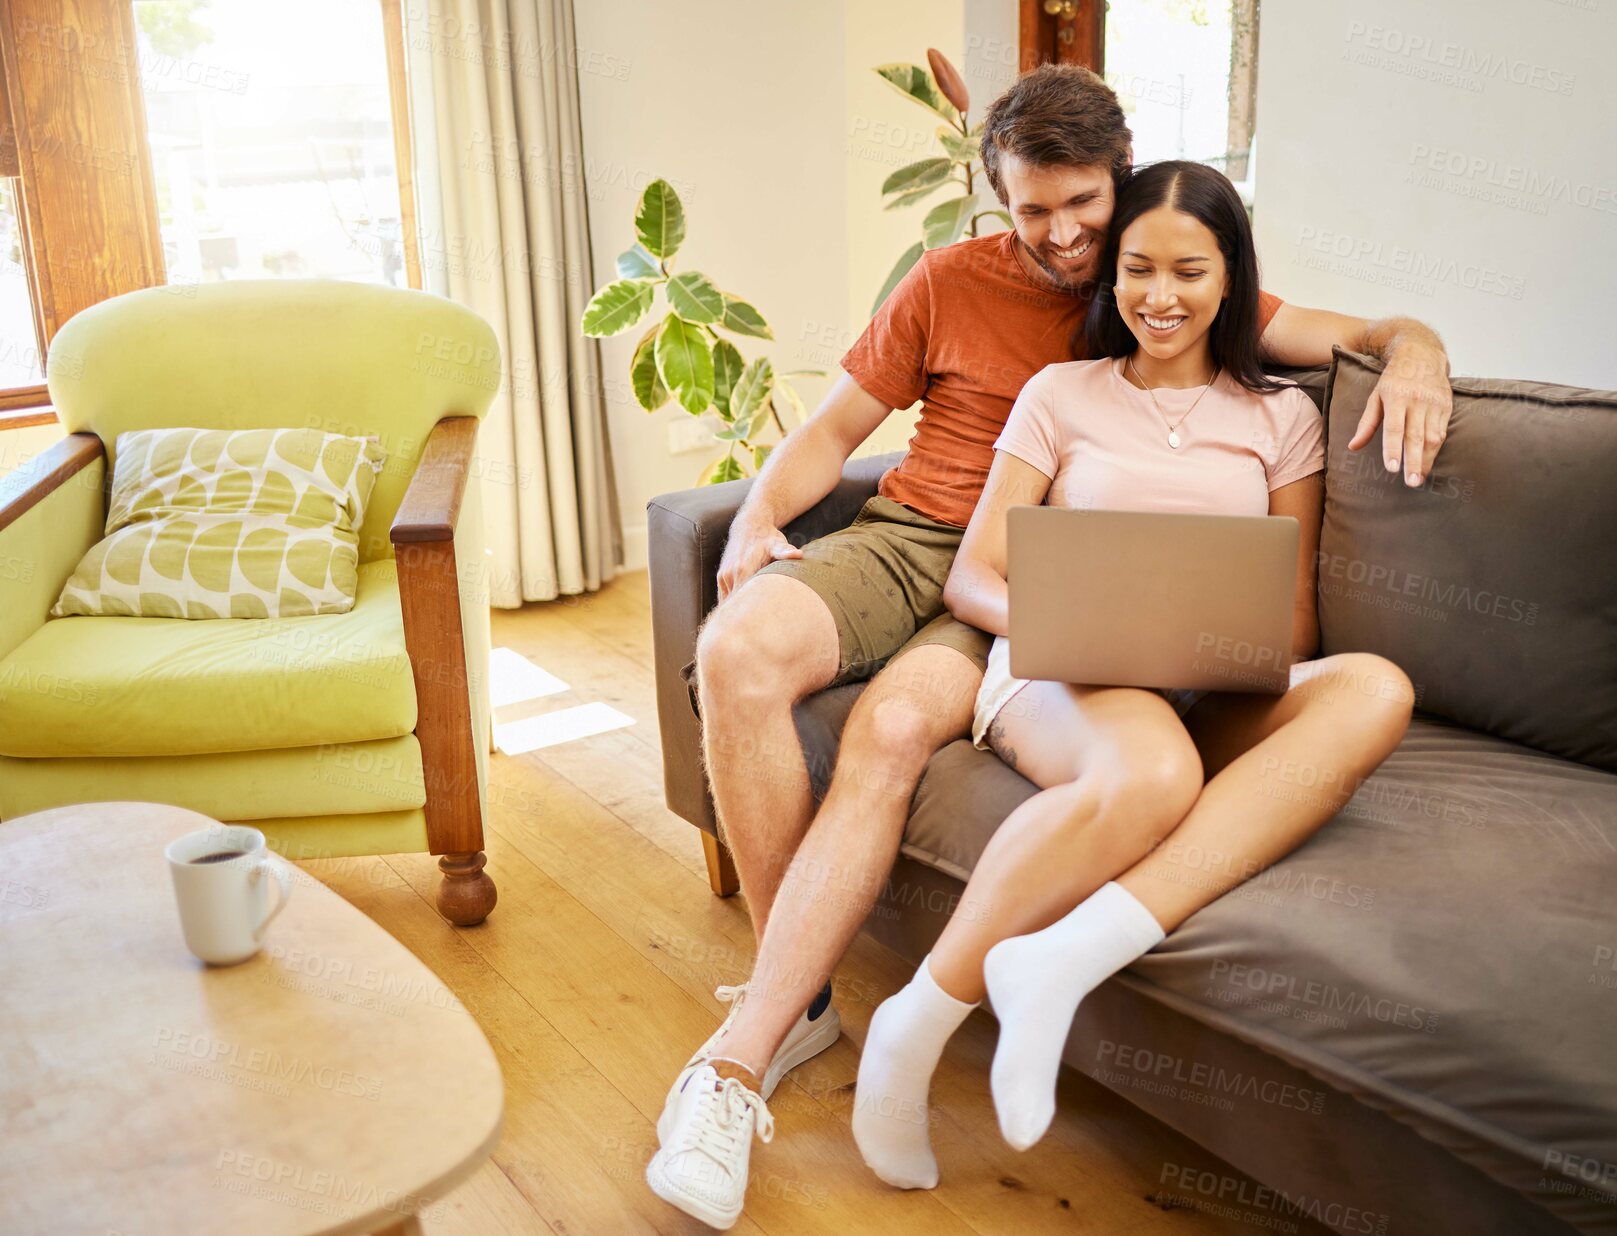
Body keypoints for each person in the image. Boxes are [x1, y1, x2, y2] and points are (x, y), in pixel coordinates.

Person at [647, 64, 1451, 1231]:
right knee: (739, 654)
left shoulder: (1171, 278)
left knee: (896, 729)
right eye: (1036, 211)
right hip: (939, 545)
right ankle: (783, 1011)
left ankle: (819, 1025)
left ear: (1120, 182)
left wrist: (1417, 347)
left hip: (1061, 589)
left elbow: (1355, 339)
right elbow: (836, 430)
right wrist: (762, 513)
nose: (1068, 237)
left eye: (1086, 206)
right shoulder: (977, 300)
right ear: (999, 201)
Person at [849, 158, 1414, 1187]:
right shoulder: (1060, 393)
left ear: (1232, 277)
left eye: (1190, 271)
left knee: (1375, 684)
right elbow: (976, 576)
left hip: (1211, 687)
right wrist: (1079, 623)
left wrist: (1222, 651)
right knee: (1152, 773)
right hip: (1067, 673)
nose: (1161, 297)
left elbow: (1292, 621)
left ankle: (1059, 957)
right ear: (1111, 278)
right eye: (1138, 270)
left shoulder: (1283, 418)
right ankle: (915, 1024)